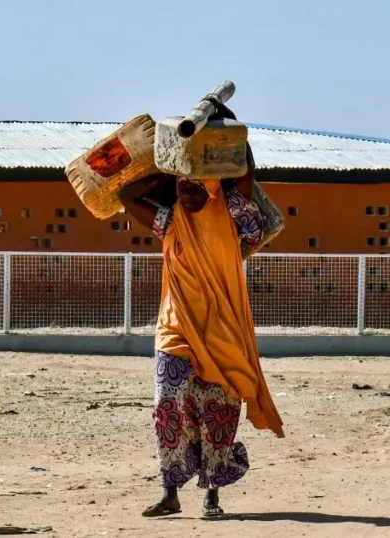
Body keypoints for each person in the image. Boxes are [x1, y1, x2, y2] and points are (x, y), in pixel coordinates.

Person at [118, 113, 285, 519]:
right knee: (168, 406)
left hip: (221, 331)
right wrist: (168, 161)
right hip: (174, 329)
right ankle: (170, 491)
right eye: (182, 184)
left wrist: (220, 129)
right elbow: (126, 197)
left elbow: (245, 167)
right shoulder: (171, 220)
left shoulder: (232, 213)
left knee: (217, 410)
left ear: (214, 181)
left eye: (196, 182)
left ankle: (212, 492)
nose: (188, 190)